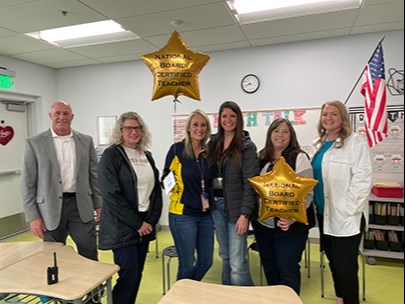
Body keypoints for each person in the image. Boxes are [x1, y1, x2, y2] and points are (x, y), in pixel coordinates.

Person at [21, 100, 102, 261]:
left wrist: (99, 205)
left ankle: (93, 287)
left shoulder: (85, 141)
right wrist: (33, 216)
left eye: (66, 113)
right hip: (48, 210)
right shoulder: (35, 142)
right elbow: (27, 183)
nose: (61, 117)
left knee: (89, 251)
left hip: (80, 206)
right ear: (50, 116)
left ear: (72, 117)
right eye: (57, 113)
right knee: (53, 256)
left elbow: (94, 177)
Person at [311, 100, 373, 304]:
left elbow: (363, 180)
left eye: (334, 114)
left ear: (343, 117)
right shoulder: (318, 144)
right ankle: (340, 299)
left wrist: (347, 210)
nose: (328, 118)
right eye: (325, 114)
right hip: (324, 213)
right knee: (333, 262)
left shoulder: (356, 142)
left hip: (346, 216)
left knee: (345, 267)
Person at [98, 111, 162, 304]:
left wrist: (150, 221)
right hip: (122, 225)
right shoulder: (111, 155)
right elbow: (110, 194)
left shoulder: (146, 156)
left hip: (144, 224)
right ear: (120, 131)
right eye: (129, 128)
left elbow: (155, 191)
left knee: (137, 273)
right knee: (128, 274)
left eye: (137, 128)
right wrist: (137, 223)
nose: (134, 132)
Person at [251, 118, 315, 295]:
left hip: (291, 228)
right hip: (263, 226)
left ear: (291, 135)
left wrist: (292, 217)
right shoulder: (261, 158)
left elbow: (307, 193)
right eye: (276, 131)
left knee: (287, 269)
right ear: (270, 134)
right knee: (270, 267)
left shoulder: (298, 157)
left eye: (285, 131)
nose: (280, 135)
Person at [207, 101, 259, 286]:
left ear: (238, 119)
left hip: (237, 210)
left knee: (237, 262)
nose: (228, 120)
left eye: (232, 116)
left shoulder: (247, 146)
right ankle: (227, 295)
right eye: (224, 116)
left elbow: (250, 183)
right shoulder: (213, 143)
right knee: (225, 256)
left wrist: (245, 214)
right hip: (216, 206)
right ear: (219, 119)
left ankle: (245, 298)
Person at [162, 109, 214, 281]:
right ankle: (182, 297)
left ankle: (189, 290)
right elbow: (164, 178)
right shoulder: (177, 149)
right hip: (182, 214)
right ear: (189, 128)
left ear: (207, 129)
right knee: (187, 264)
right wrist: (172, 183)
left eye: (203, 125)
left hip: (205, 215)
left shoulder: (208, 152)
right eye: (195, 125)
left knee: (206, 261)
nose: (199, 129)